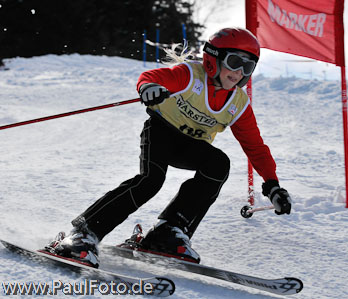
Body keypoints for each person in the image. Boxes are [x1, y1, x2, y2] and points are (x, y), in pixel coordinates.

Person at [46, 27, 292, 268]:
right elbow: (150, 78)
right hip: (161, 132)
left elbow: (255, 147)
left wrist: (272, 184)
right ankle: (82, 234)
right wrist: (148, 88)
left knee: (218, 164)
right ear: (212, 59)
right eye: (234, 61)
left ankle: (168, 231)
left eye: (247, 66)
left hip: (191, 147)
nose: (239, 72)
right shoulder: (189, 75)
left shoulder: (238, 103)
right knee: (150, 181)